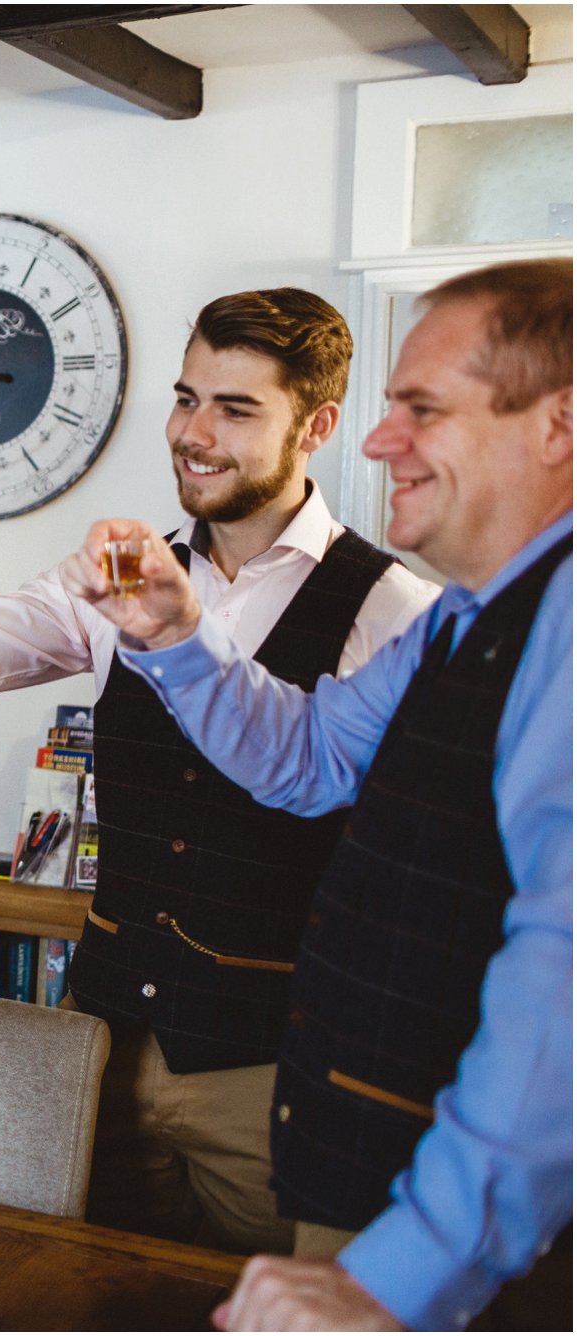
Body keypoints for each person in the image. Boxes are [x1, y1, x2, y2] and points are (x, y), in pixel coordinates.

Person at [0, 289, 438, 1254]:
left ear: (317, 425)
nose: (194, 434)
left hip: (274, 1074)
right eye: (187, 398)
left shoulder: (394, 611)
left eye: (236, 410)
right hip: (99, 1048)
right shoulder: (109, 580)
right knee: (85, 1298)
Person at [59, 258, 571, 1330]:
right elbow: (306, 757)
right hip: (342, 1137)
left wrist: (404, 1269)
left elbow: (559, 976)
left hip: (441, 1220)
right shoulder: (464, 618)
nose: (380, 443)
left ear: (557, 426)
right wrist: (171, 632)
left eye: (420, 410)